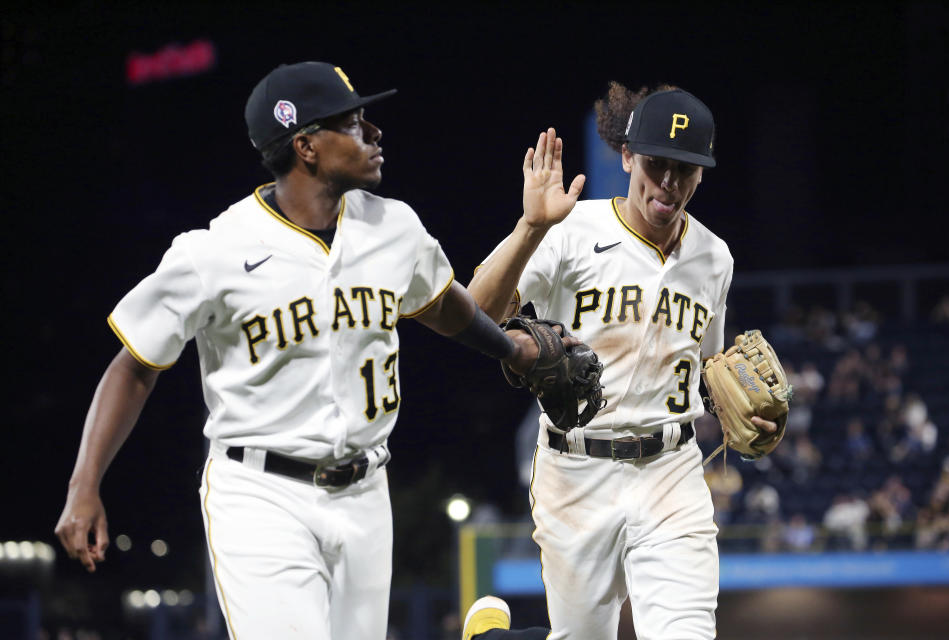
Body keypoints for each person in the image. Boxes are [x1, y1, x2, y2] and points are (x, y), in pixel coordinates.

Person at [54, 61, 549, 640]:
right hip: (261, 493)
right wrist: (84, 484)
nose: (374, 133)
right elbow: (134, 364)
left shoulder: (394, 228)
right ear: (306, 145)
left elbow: (443, 305)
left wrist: (510, 351)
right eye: (354, 122)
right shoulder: (216, 250)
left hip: (367, 492)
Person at [462, 84, 778, 639]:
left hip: (671, 472)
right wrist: (531, 227)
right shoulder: (570, 231)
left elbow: (711, 371)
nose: (670, 183)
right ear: (627, 156)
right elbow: (476, 313)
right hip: (575, 472)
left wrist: (745, 415)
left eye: (686, 168)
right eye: (657, 164)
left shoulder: (714, 257)